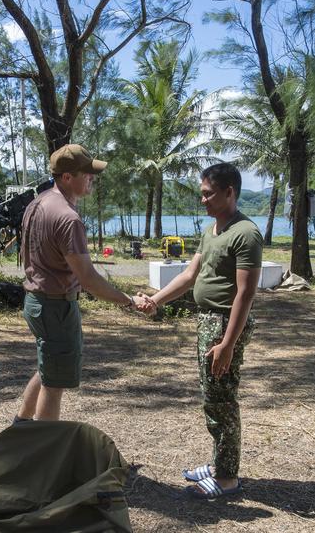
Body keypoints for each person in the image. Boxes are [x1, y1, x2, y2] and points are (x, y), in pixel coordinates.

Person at [135, 162, 261, 499]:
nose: (202, 200)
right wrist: (156, 301)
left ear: (229, 192)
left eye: (208, 194)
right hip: (207, 322)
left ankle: (227, 478)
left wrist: (228, 343)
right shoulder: (212, 231)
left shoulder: (245, 234)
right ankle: (220, 463)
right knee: (211, 397)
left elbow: (246, 293)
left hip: (224, 325)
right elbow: (190, 275)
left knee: (222, 399)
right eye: (201, 194)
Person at [15, 144, 147, 423]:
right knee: (54, 384)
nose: (92, 178)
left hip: (36, 302)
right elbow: (88, 279)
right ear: (66, 177)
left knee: (47, 368)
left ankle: (21, 427)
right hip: (55, 307)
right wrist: (128, 300)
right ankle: (44, 452)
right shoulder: (68, 218)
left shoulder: (37, 204)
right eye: (86, 173)